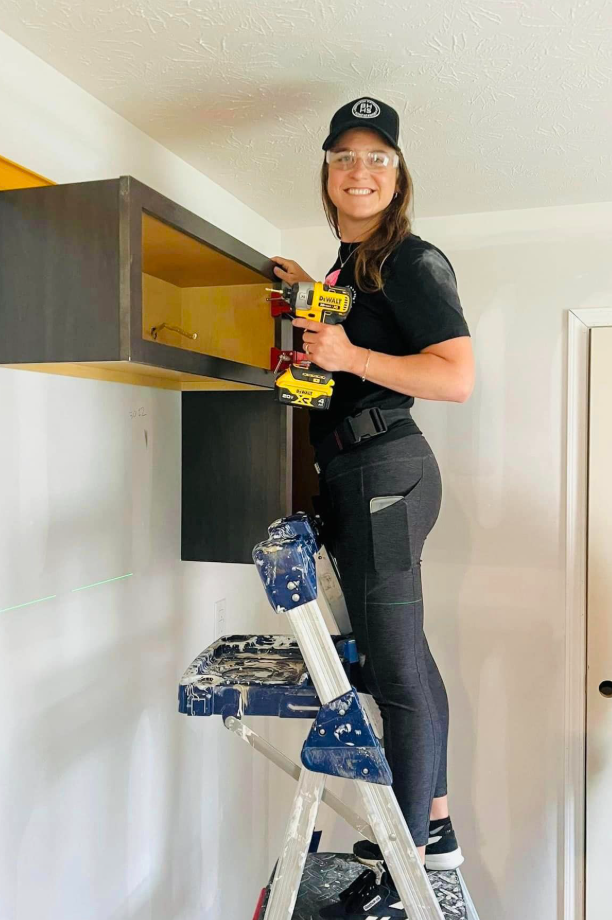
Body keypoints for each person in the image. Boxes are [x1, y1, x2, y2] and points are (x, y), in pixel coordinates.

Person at [270, 97, 475, 920]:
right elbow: (349, 340)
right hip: (365, 474)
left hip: (384, 472)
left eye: (377, 158)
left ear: (398, 175)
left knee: (393, 674)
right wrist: (308, 289)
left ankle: (407, 863)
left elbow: (454, 377)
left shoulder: (409, 260)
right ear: (327, 172)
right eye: (344, 157)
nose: (360, 171)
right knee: (407, 660)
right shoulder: (353, 266)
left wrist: (350, 353)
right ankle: (435, 826)